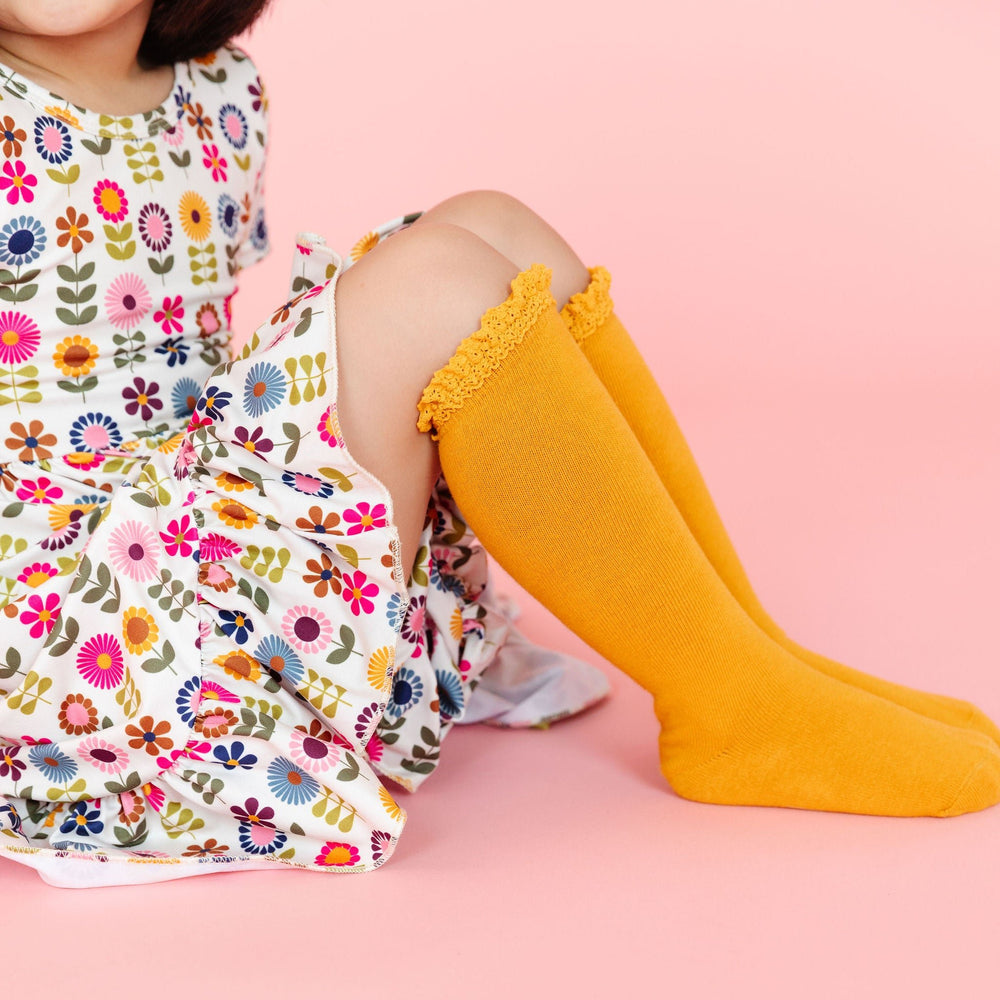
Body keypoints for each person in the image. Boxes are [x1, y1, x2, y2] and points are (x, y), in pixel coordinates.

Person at [1, 0, 998, 888]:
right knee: (432, 280)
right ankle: (735, 697)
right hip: (75, 619)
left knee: (492, 226)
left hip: (180, 519)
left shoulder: (219, 90)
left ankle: (743, 655)